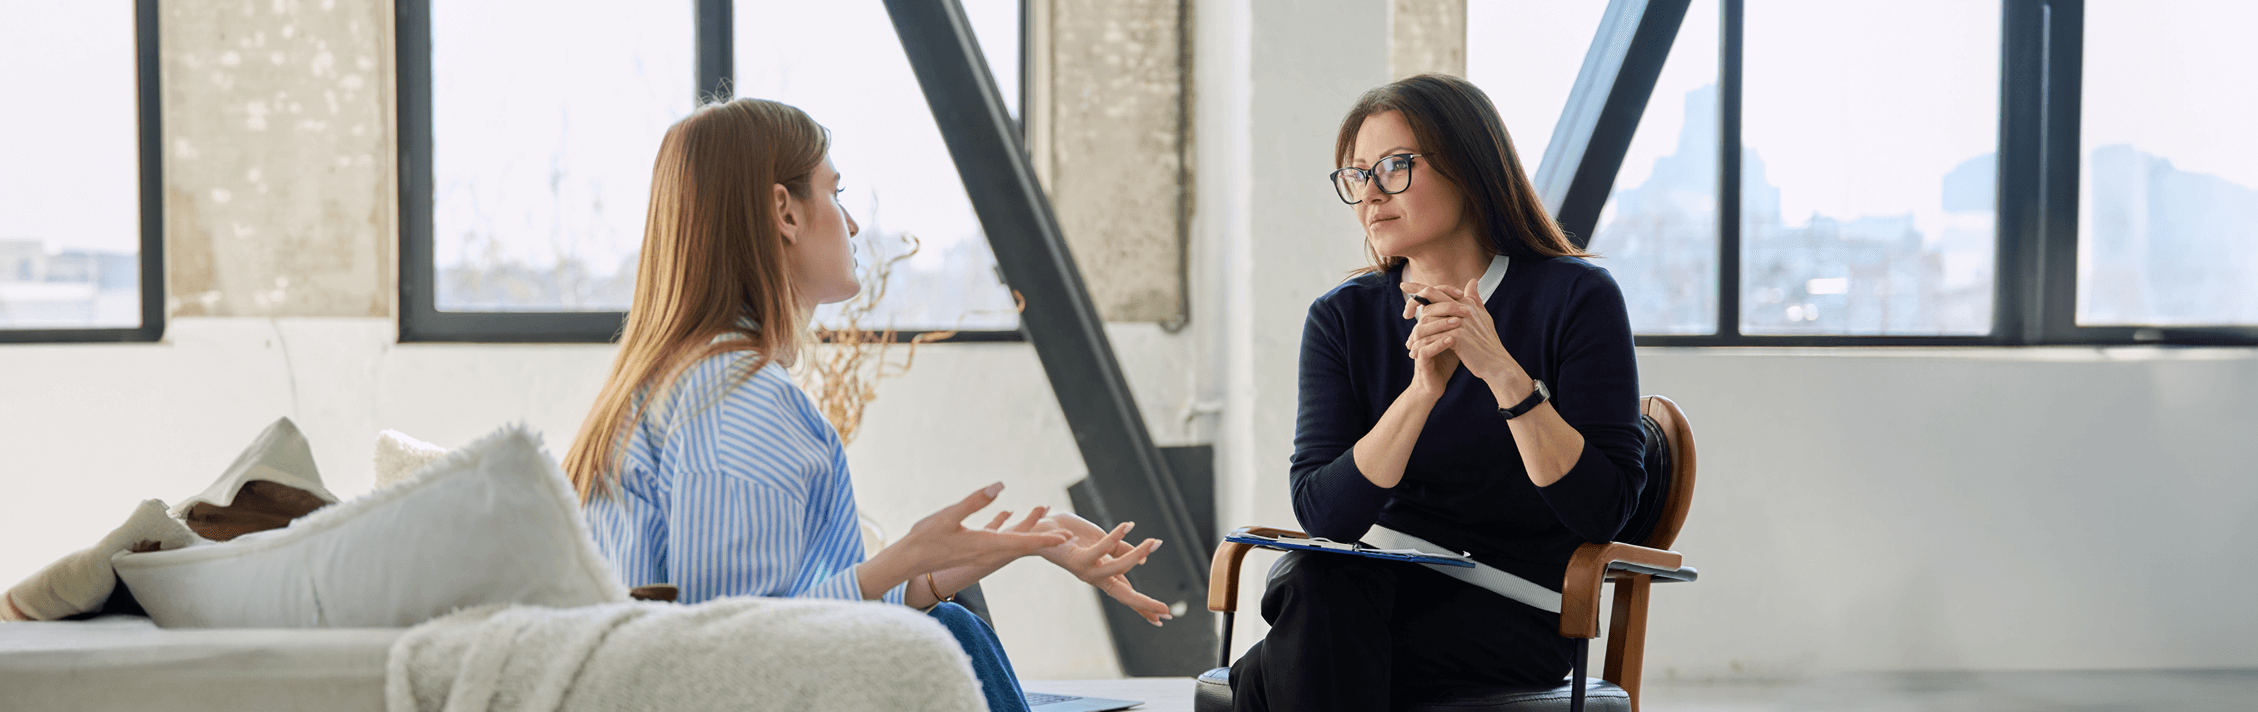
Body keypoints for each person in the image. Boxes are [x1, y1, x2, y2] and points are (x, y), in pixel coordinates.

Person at [560, 97, 1175, 712]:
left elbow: (784, 618)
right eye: (835, 192)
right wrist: (901, 560)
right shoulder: (736, 400)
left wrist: (983, 555)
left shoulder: (687, 383)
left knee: (951, 621)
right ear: (785, 212)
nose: (852, 224)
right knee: (953, 637)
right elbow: (734, 654)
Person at [1224, 74, 1647, 711]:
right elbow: (1326, 514)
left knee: (1269, 670)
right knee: (1319, 585)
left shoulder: (1575, 298)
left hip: (1516, 611)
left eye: (1395, 167)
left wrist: (1503, 374)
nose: (1370, 194)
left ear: (1470, 167)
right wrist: (1422, 392)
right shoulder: (1342, 317)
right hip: (1370, 589)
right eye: (1356, 174)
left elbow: (1601, 510)